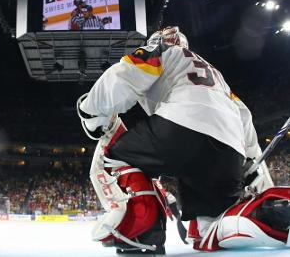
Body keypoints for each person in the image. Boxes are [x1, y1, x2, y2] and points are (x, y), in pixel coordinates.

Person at [77, 26, 287, 254]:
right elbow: (244, 120)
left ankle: (143, 233)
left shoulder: (163, 50)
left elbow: (125, 75)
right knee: (210, 226)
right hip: (230, 149)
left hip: (181, 125)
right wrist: (254, 175)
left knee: (114, 157)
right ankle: (266, 210)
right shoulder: (216, 76)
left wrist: (91, 111)